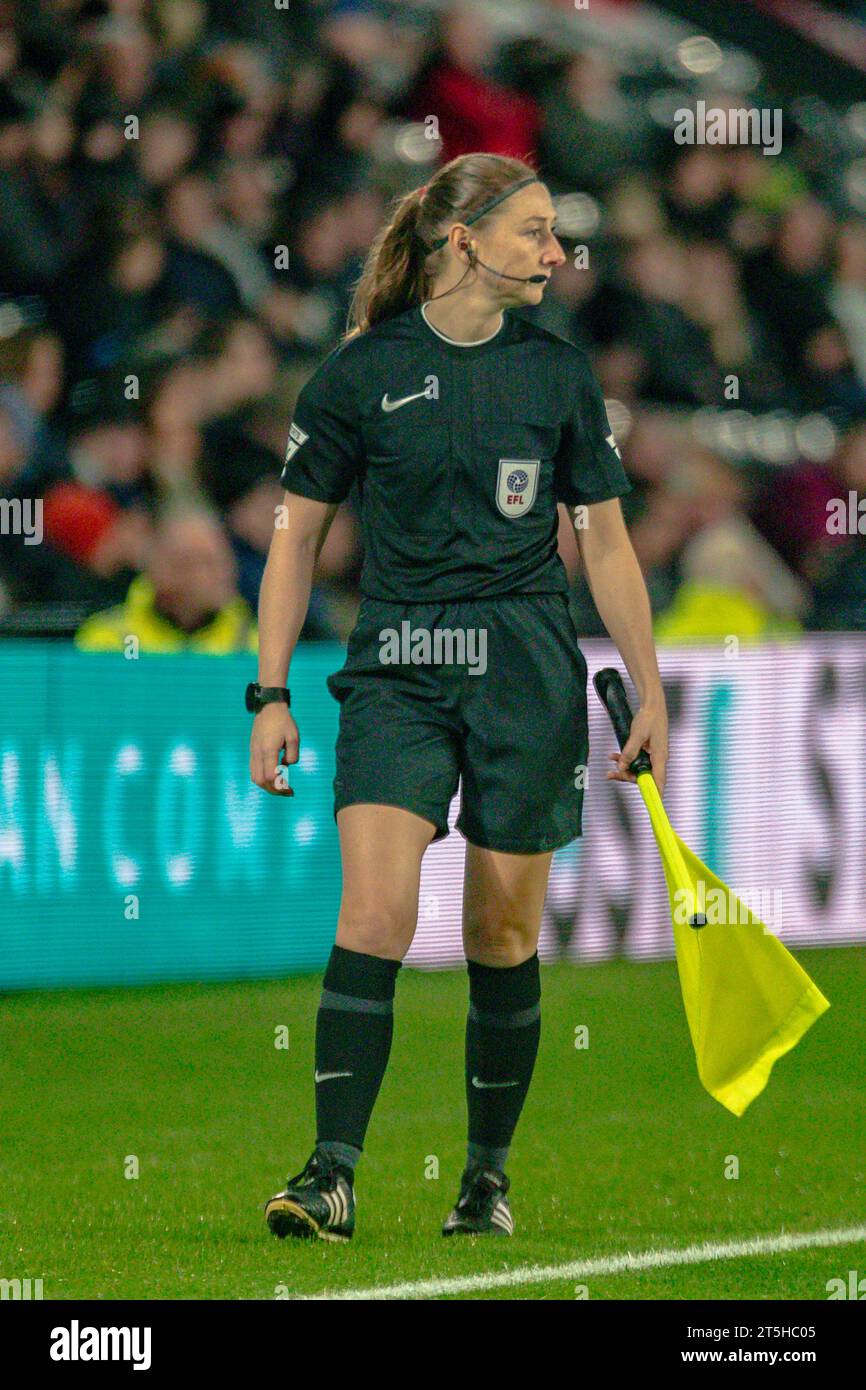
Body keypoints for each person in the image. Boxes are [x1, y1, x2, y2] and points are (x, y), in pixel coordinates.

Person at [250, 152, 668, 1242]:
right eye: (532, 231)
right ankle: (329, 1172)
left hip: (524, 666)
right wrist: (268, 691)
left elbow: (606, 543)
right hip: (395, 665)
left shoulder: (558, 374)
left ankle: (484, 1180)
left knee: (498, 932)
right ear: (461, 240)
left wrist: (650, 685)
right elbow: (294, 541)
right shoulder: (356, 374)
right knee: (375, 913)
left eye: (555, 233)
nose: (555, 252)